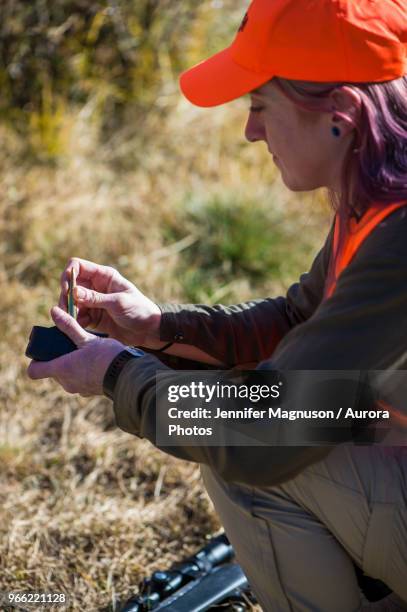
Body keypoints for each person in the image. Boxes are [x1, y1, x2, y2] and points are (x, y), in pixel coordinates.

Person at [27, 0, 407, 610]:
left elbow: (265, 431)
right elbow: (295, 321)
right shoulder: (381, 198)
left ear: (341, 115)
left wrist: (116, 373)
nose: (251, 131)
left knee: (242, 440)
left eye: (260, 106)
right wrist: (158, 327)